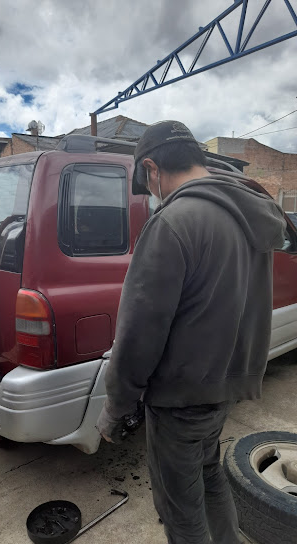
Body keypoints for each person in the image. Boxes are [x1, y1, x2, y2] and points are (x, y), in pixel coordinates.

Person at [96, 120, 286, 544]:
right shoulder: (246, 213)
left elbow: (139, 332)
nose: (154, 195)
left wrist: (116, 407)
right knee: (209, 475)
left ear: (151, 167)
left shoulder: (173, 222)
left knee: (180, 511)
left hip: (181, 399)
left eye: (149, 184)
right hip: (223, 389)